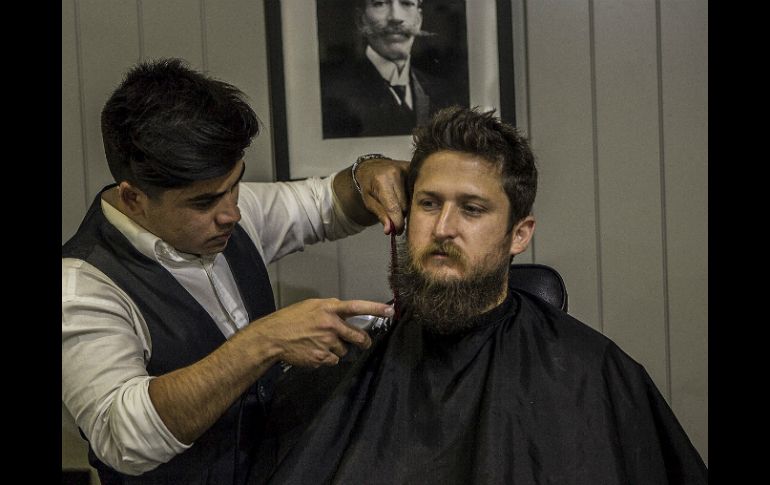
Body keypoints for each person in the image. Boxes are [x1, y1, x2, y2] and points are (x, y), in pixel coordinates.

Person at [248, 106, 709, 484]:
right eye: (429, 203)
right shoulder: (344, 370)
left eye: (471, 209)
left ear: (519, 234)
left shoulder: (593, 375)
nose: (443, 228)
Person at [61, 57, 411, 485]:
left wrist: (368, 172)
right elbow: (122, 436)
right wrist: (264, 341)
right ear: (134, 198)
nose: (232, 213)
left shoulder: (226, 208)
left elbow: (326, 204)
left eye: (235, 185)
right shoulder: (80, 287)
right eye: (204, 202)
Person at [319, 0, 466, 138]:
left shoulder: (446, 94)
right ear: (360, 19)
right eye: (380, 3)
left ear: (419, 20)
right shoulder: (332, 95)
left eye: (406, 3)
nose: (396, 17)